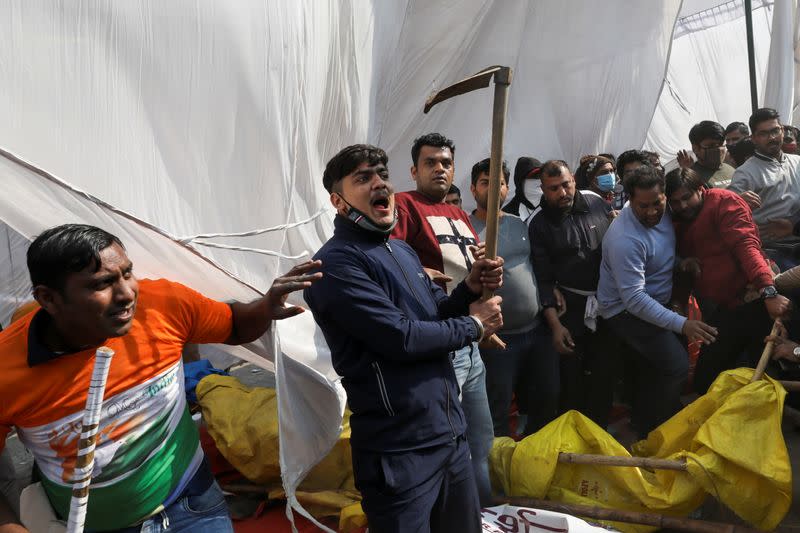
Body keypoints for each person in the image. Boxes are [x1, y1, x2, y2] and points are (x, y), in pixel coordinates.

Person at [0, 224, 321, 533]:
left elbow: (234, 326)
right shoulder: (5, 368)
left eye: (127, 273)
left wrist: (265, 306)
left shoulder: (162, 305)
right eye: (102, 283)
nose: (126, 294)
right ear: (49, 298)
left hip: (194, 502)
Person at [305, 144, 503, 533]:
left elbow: (435, 314)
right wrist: (474, 326)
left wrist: (468, 290)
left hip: (449, 436)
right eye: (363, 178)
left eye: (382, 174)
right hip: (400, 453)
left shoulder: (402, 251)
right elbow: (400, 338)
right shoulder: (335, 265)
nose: (379, 183)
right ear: (338, 200)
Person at [391, 133, 495, 505]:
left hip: (470, 341)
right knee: (444, 443)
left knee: (481, 440)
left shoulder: (457, 214)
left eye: (446, 163)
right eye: (430, 162)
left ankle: (483, 517)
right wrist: (421, 272)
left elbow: (466, 272)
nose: (439, 168)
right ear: (414, 170)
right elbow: (388, 258)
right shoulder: (403, 205)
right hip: (440, 342)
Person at [597, 166, 718, 437]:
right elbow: (634, 300)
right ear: (629, 199)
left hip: (656, 301)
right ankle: (660, 430)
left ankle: (645, 418)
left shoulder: (665, 214)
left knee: (657, 366)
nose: (652, 212)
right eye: (643, 206)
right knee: (675, 364)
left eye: (657, 203)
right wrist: (682, 324)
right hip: (623, 310)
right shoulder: (624, 239)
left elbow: (657, 256)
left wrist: (679, 262)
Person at [667, 167, 792, 393]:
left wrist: (768, 292)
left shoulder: (724, 203)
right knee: (706, 377)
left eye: (687, 198)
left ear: (701, 189)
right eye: (675, 202)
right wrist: (679, 302)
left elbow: (746, 247)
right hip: (723, 307)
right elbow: (686, 266)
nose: (683, 206)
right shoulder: (675, 220)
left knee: (765, 374)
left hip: (755, 299)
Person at [467, 157, 552, 437]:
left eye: (500, 183)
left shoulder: (519, 224)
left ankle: (532, 456)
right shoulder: (466, 231)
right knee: (498, 405)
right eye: (485, 182)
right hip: (498, 339)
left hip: (535, 330)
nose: (494, 189)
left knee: (544, 396)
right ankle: (498, 464)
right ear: (472, 189)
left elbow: (533, 267)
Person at [528, 160, 616, 428]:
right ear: (543, 190)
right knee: (571, 378)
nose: (562, 193)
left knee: (604, 374)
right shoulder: (539, 225)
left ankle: (601, 434)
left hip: (608, 305)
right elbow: (541, 278)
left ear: (574, 181)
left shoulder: (597, 204)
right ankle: (574, 437)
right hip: (570, 310)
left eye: (566, 185)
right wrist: (555, 325)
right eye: (554, 188)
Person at [728, 108, 800, 270]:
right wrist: (738, 201)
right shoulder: (745, 173)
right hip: (773, 250)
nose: (772, 137)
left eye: (775, 130)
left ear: (782, 130)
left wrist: (793, 222)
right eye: (764, 134)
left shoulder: (797, 162)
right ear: (753, 138)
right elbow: (727, 213)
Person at [684, 121, 736, 189]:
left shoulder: (732, 169)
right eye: (711, 145)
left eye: (720, 144)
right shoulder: (690, 177)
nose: (718, 149)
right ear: (695, 148)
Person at [502, 157, 543, 222]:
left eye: (541, 176)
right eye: (534, 176)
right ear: (520, 183)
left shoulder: (553, 205)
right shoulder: (506, 215)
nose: (538, 180)